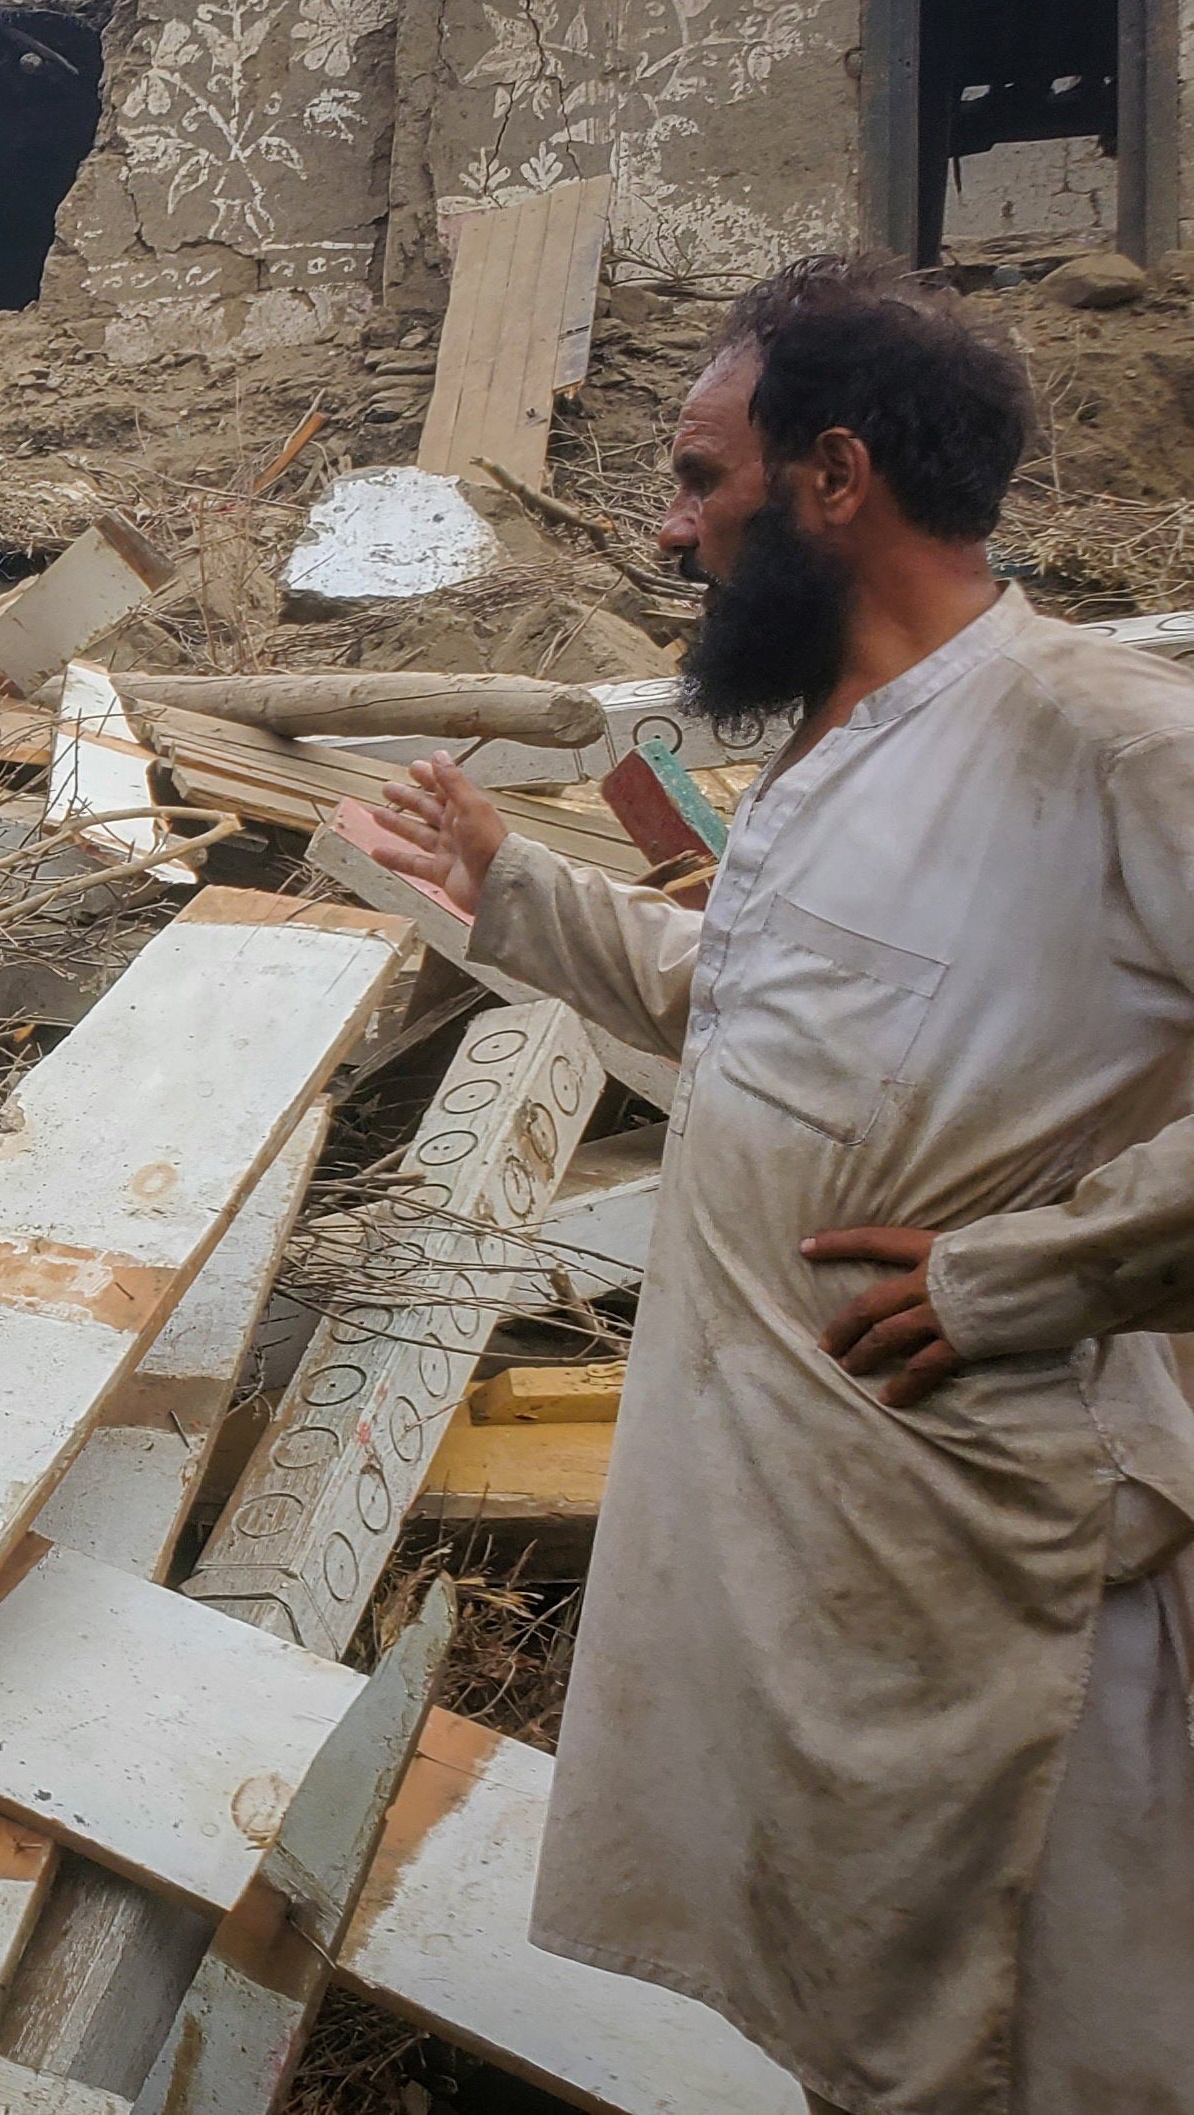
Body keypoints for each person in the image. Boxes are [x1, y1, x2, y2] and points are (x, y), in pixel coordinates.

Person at [370, 256, 1194, 2115]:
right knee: (859, 2005)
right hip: (816, 1539)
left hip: (988, 1538)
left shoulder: (1104, 736)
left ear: (834, 478)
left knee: (1028, 2031)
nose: (669, 530)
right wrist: (521, 886)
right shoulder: (836, 740)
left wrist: (1035, 1275)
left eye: (697, 478)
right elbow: (757, 1014)